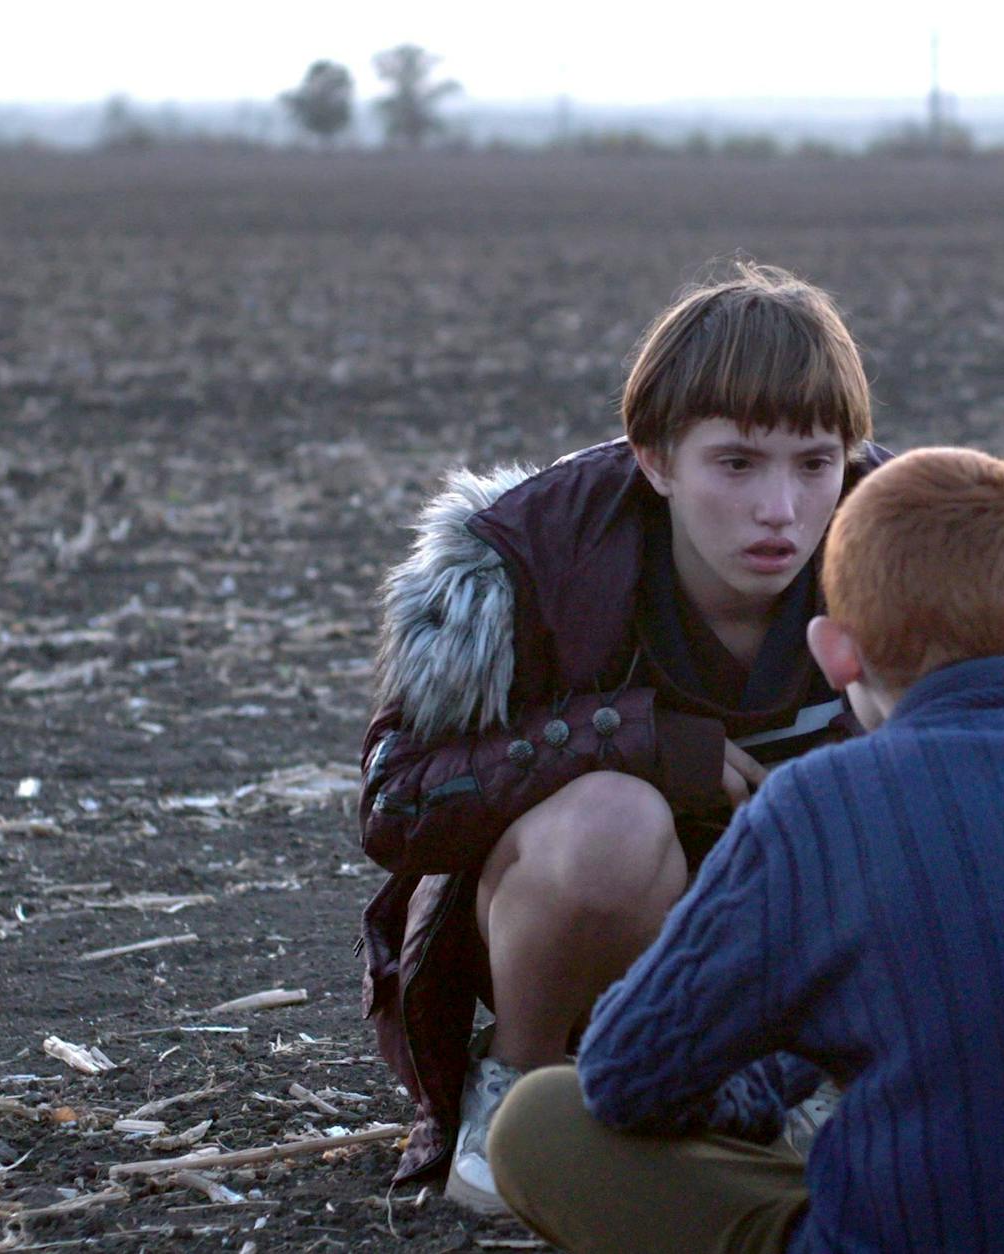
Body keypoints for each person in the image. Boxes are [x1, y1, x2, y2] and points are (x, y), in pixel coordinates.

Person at [486, 447, 1004, 1253]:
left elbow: (629, 1071)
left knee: (537, 1123)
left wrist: (780, 1075)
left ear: (834, 650)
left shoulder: (818, 805)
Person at [355, 262, 888, 1208]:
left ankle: (816, 1086)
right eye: (735, 463)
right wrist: (626, 737)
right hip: (581, 934)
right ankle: (521, 1091)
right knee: (613, 820)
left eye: (815, 462)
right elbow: (397, 805)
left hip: (798, 955)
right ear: (655, 458)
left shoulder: (903, 543)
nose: (782, 509)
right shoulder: (530, 553)